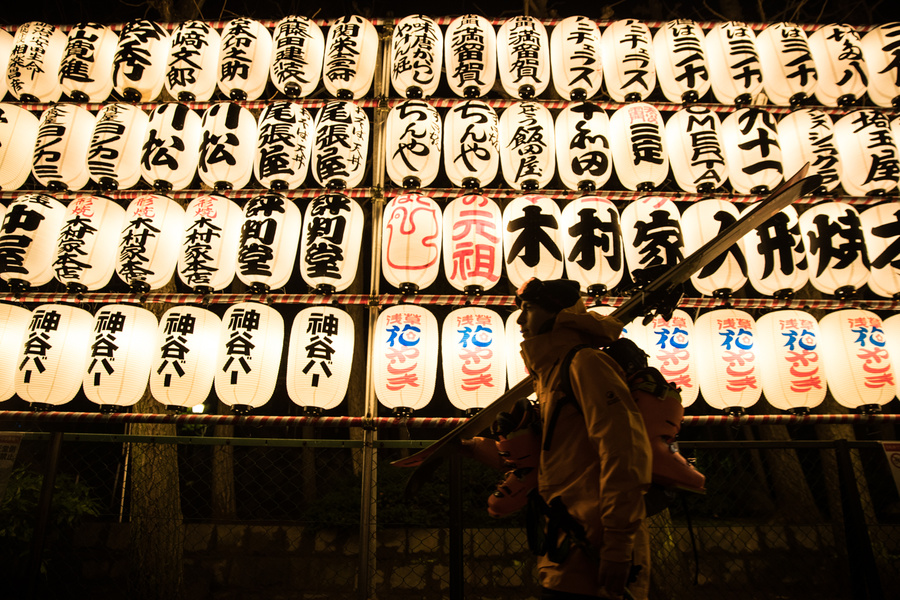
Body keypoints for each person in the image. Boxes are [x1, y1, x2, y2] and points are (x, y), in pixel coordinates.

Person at [509, 277, 652, 600]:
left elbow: (624, 451)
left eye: (528, 309)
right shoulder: (550, 373)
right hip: (566, 543)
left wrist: (618, 544)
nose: (520, 320)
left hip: (598, 547)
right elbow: (556, 458)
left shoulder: (585, 363)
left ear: (558, 315)